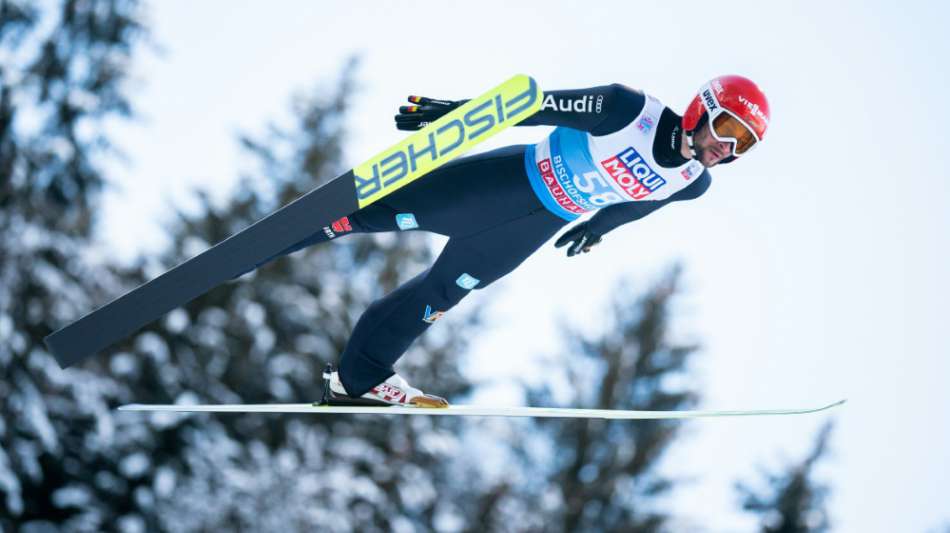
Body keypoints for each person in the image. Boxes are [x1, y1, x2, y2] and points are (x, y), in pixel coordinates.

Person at [255, 75, 770, 407]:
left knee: (442, 294)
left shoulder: (693, 183)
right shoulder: (626, 110)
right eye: (727, 128)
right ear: (701, 108)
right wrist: (454, 114)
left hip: (529, 228)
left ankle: (357, 378)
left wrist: (598, 228)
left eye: (743, 143)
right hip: (502, 185)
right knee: (373, 214)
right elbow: (533, 106)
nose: (726, 147)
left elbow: (642, 202)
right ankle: (259, 246)